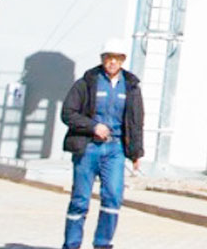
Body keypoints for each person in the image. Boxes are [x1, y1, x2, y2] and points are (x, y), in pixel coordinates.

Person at [60, 38, 144, 249]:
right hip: (88, 148)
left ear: (123, 60)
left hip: (114, 150)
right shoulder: (86, 83)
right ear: (102, 59)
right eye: (109, 58)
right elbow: (68, 113)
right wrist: (92, 127)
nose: (112, 62)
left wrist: (136, 153)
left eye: (117, 58)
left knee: (113, 197)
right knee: (80, 200)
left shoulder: (131, 86)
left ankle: (103, 244)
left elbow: (136, 121)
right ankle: (71, 245)